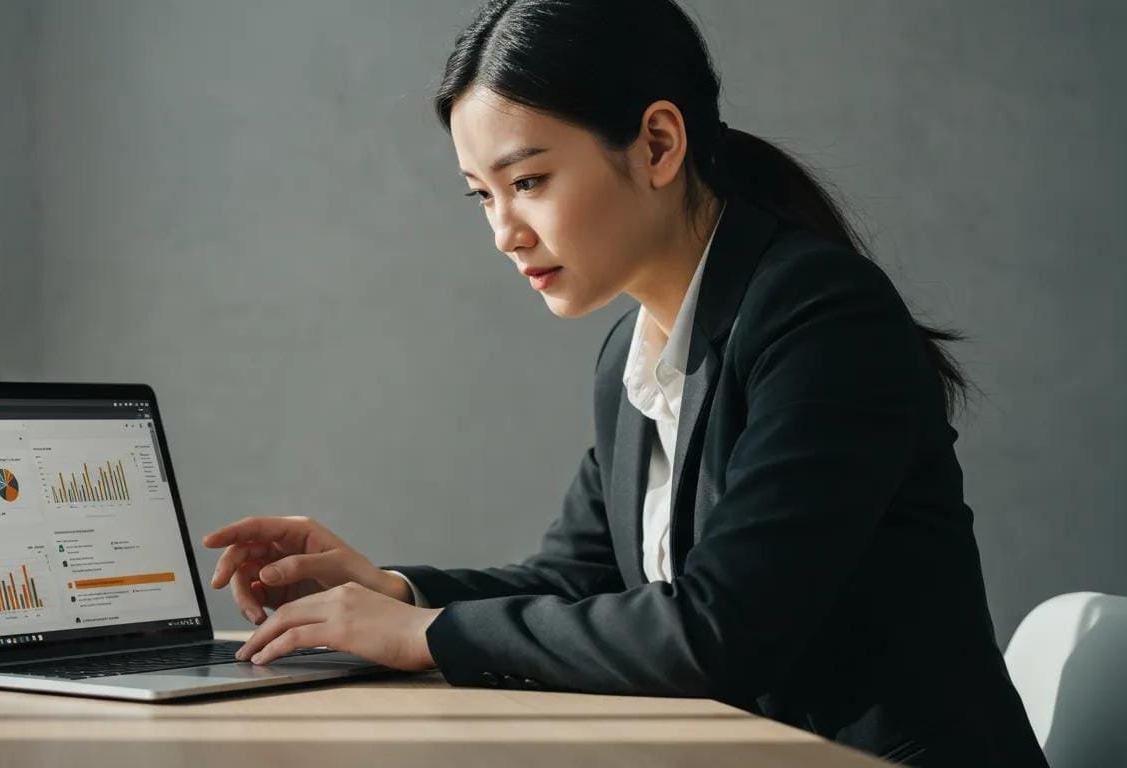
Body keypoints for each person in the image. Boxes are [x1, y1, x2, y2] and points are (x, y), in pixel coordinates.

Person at [201, 1, 1047, 764]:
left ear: (658, 144)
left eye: (527, 182)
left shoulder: (822, 317)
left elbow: (719, 631)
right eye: (481, 196)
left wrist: (425, 634)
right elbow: (579, 581)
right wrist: (392, 592)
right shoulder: (632, 357)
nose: (504, 233)